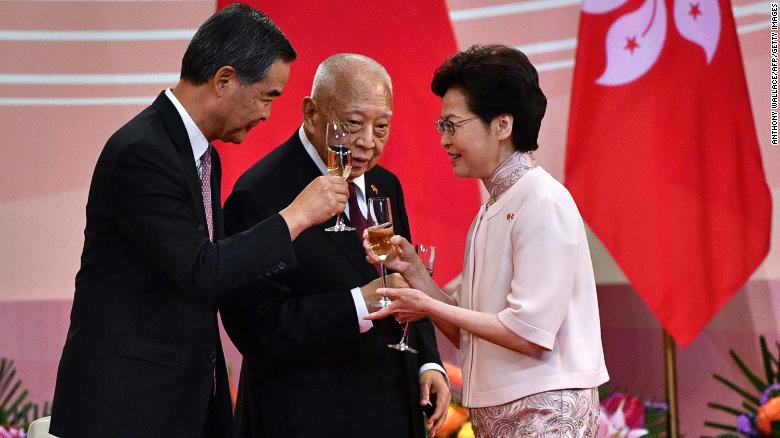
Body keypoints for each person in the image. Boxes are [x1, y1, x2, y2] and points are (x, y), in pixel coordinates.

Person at [49, 5, 349, 438]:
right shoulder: (143, 153)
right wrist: (296, 215)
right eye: (266, 96)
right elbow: (200, 270)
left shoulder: (200, 155)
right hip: (126, 407)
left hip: (180, 401)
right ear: (224, 80)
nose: (267, 114)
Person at [365, 45, 609, 437]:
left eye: (453, 125)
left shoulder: (542, 201)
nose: (444, 140)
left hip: (543, 414)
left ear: (502, 125)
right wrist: (417, 277)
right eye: (441, 126)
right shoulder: (494, 206)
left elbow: (529, 335)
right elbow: (470, 336)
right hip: (500, 414)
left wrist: (426, 303)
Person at [220, 53, 450, 438]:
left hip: (393, 408)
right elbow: (256, 327)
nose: (367, 142)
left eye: (381, 127)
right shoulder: (258, 194)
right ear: (311, 113)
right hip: (304, 418)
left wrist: (430, 363)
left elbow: (406, 280)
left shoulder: (385, 185)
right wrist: (360, 302)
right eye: (353, 123)